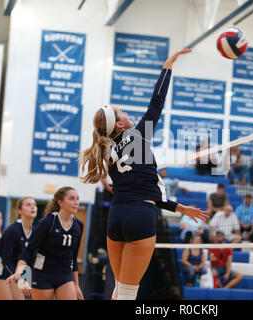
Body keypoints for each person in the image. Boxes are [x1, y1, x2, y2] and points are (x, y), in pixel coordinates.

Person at [79, 48, 209, 300]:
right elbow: (156, 101)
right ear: (119, 124)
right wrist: (168, 65)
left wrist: (182, 208)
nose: (126, 113)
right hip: (140, 217)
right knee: (126, 294)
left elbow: (141, 189)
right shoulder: (138, 136)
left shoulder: (107, 152)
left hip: (116, 218)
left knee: (120, 292)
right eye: (122, 113)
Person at [7, 187, 84, 300]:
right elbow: (28, 251)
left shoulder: (78, 225)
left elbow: (74, 258)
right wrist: (21, 274)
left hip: (65, 275)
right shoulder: (48, 222)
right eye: (71, 199)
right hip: (43, 275)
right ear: (60, 202)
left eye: (77, 199)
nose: (76, 202)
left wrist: (76, 285)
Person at [0, 197, 37, 300]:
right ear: (20, 210)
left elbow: (29, 260)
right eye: (28, 205)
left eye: (34, 204)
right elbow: (6, 259)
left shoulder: (35, 231)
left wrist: (25, 278)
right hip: (0, 272)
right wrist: (20, 278)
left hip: (16, 273)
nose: (33, 207)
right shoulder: (12, 229)